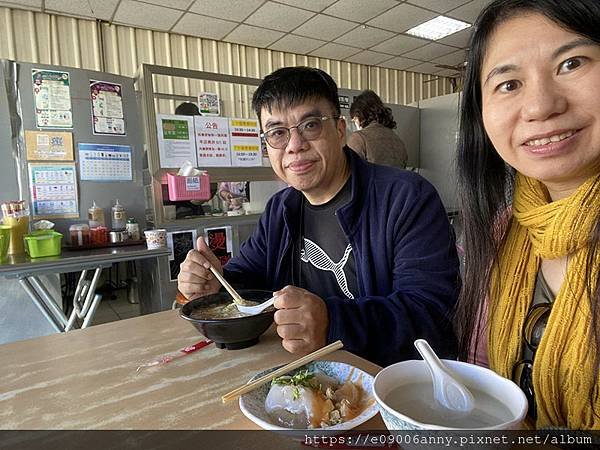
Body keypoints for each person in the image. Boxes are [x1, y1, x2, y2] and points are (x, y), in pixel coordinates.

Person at [178, 67, 459, 367]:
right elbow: (246, 280)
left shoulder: (406, 198)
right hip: (306, 378)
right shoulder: (280, 210)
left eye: (310, 125)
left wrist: (332, 322)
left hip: (392, 385)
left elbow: (432, 314)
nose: (294, 145)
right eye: (277, 133)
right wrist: (215, 286)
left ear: (340, 131)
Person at [454, 0, 600, 429]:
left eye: (572, 63)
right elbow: (483, 370)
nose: (539, 106)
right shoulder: (502, 230)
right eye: (509, 83)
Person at [348, 90, 408, 169]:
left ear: (359, 116)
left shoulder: (358, 138)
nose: (355, 123)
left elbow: (348, 172)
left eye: (354, 119)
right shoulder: (398, 140)